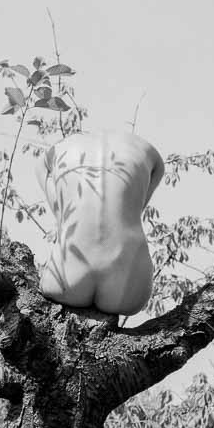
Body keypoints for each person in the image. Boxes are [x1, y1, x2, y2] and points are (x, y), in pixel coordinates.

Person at [35, 128, 164, 315]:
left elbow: (62, 217)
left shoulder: (50, 155)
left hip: (65, 279)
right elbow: (135, 210)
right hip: (128, 286)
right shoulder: (151, 153)